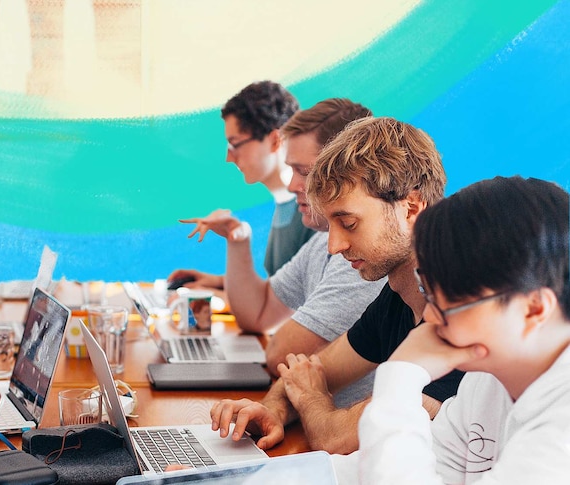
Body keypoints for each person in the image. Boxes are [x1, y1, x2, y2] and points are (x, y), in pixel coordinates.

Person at [210, 117, 464, 454]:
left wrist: (314, 400)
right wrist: (272, 410)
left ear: (411, 209)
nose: (334, 245)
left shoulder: (462, 315)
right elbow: (310, 373)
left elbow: (337, 437)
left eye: (348, 223)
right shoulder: (397, 296)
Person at [334, 176, 570, 484]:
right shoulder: (486, 383)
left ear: (534, 308)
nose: (430, 318)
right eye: (427, 293)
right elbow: (400, 468)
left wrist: (400, 378)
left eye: (446, 305)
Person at [179, 99, 383, 407]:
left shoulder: (360, 257)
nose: (291, 185)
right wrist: (237, 239)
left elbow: (280, 356)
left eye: (303, 171)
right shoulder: (320, 241)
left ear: (345, 171)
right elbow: (257, 314)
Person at [168, 81, 312, 293]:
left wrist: (220, 296)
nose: (228, 158)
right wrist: (221, 283)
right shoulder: (284, 204)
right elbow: (281, 289)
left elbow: (294, 306)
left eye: (235, 144)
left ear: (274, 140)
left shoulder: (310, 213)